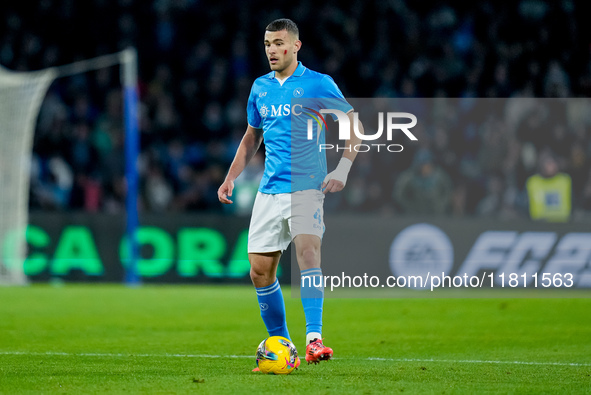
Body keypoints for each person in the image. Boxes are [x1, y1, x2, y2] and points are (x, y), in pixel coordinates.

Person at [217, 18, 362, 367]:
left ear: (296, 46)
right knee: (259, 272)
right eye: (267, 43)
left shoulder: (318, 84)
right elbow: (253, 137)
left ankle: (314, 340)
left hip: (307, 187)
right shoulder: (260, 88)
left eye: (279, 43)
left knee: (308, 254)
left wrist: (341, 169)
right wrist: (230, 177)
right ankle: (283, 342)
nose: (271, 50)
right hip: (269, 190)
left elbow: (353, 125)